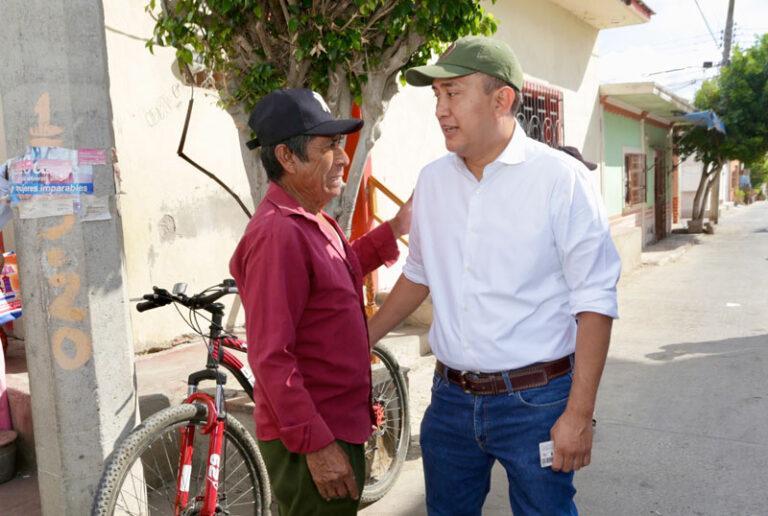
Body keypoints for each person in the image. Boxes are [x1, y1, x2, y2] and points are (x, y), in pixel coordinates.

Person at [368, 36, 621, 515]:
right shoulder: (433, 181)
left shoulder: (560, 180)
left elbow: (595, 301)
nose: (440, 110)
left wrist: (579, 413)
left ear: (501, 99)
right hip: (450, 401)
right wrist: (363, 338)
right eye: (436, 96)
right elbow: (419, 273)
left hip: (537, 402)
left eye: (453, 93)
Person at [229, 88, 412, 515]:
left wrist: (395, 228)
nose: (343, 157)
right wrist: (316, 444)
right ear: (287, 158)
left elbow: (337, 272)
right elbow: (271, 356)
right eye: (328, 146)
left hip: (335, 424)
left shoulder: (312, 218)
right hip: (312, 436)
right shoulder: (278, 233)